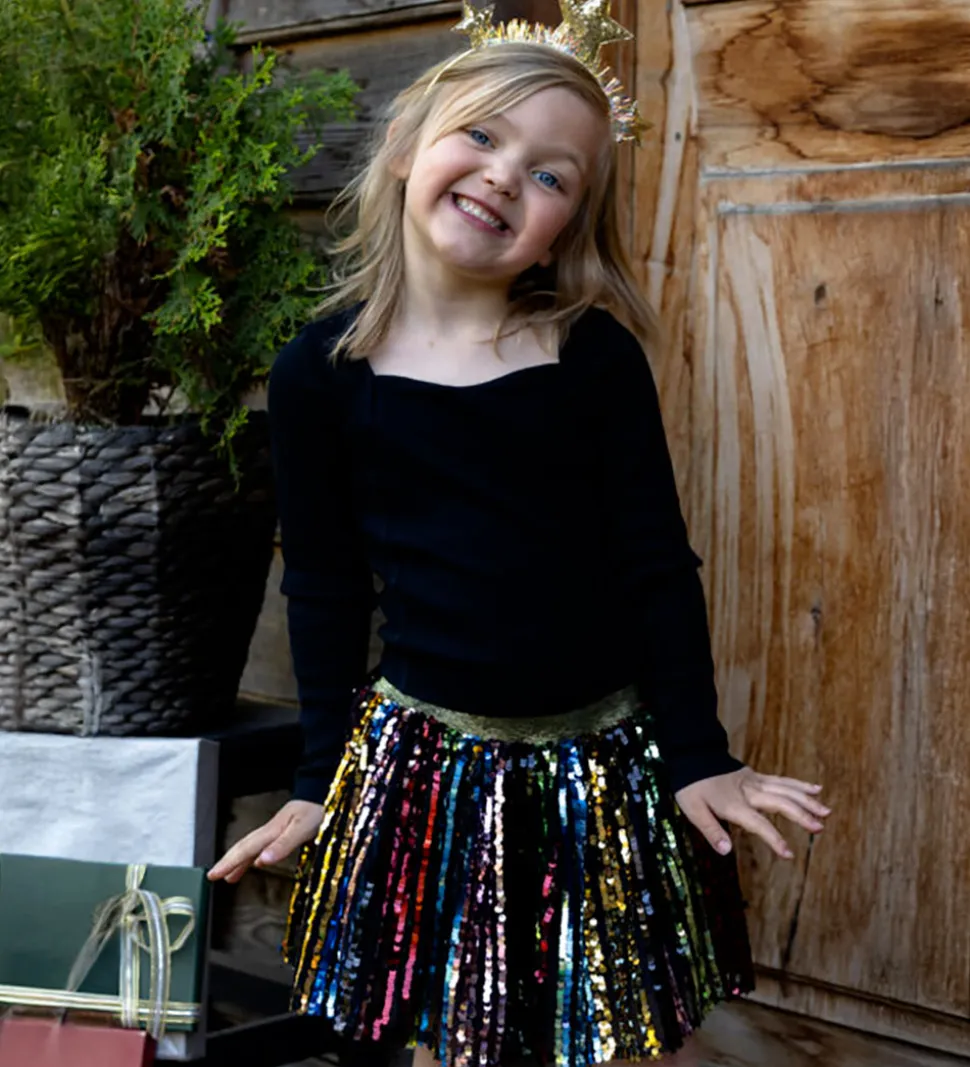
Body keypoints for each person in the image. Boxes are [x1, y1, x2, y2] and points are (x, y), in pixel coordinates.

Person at [209, 5, 831, 1065]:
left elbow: (655, 565)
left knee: (613, 1030)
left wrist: (697, 754)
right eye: (483, 136)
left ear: (569, 226)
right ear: (405, 148)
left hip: (600, 760)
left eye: (550, 175)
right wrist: (318, 780)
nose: (506, 176)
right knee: (453, 1034)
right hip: (427, 767)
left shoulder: (590, 359)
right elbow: (323, 585)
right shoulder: (319, 375)